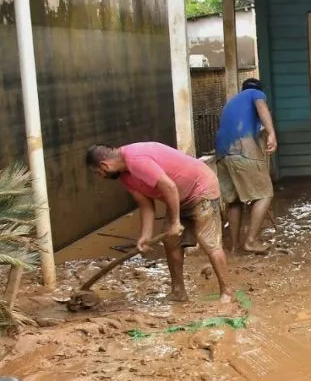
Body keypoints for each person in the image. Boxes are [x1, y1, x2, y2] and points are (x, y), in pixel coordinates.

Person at [86, 142, 233, 304]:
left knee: (209, 241)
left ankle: (227, 292)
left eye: (98, 173)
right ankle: (178, 291)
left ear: (104, 165)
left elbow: (169, 187)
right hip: (179, 197)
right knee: (171, 241)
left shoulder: (136, 159)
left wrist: (175, 222)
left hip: (201, 189)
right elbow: (146, 205)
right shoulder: (125, 175)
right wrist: (145, 236)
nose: (100, 177)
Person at [216, 78, 278, 254]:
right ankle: (250, 241)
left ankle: (235, 246)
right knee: (265, 194)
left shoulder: (231, 103)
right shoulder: (256, 94)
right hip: (241, 149)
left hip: (222, 153)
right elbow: (262, 107)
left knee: (234, 201)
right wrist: (272, 133)